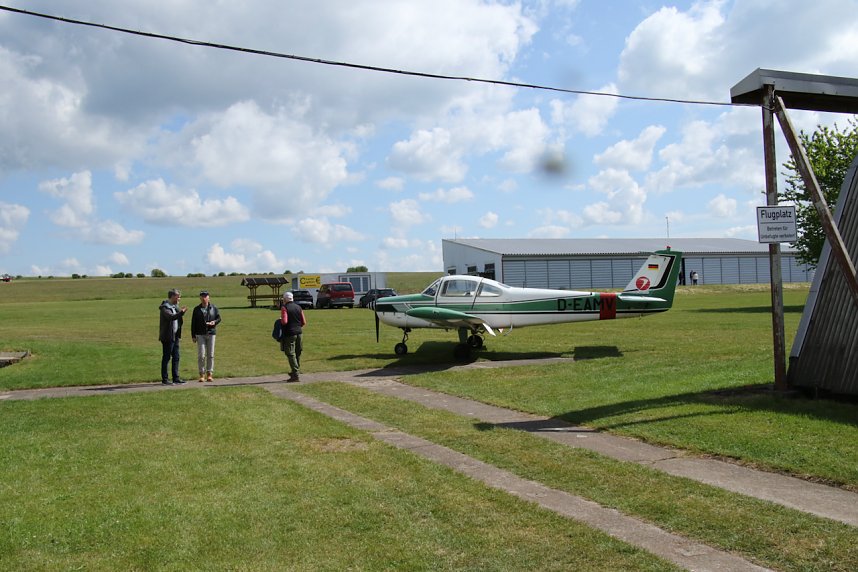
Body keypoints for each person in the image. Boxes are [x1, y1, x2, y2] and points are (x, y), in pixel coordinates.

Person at [191, 290, 222, 382]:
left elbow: (219, 318)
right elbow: (193, 323)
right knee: (201, 355)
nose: (204, 298)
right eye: (202, 296)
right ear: (200, 298)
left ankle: (209, 374)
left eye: (205, 296)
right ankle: (201, 374)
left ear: (209, 297)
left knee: (211, 355)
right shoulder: (196, 309)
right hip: (200, 334)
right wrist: (193, 335)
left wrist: (214, 322)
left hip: (211, 333)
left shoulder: (214, 308)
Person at [159, 289, 187, 385]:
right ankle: (165, 379)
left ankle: (176, 378)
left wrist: (180, 312)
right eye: (178, 296)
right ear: (172, 296)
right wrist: (181, 313)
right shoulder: (165, 307)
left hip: (175, 336)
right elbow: (171, 317)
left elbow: (178, 320)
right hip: (167, 336)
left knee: (176, 357)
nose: (179, 298)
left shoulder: (175, 307)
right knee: (167, 357)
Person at [280, 291, 307, 382]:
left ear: (284, 299)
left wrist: (279, 321)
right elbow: (303, 322)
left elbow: (284, 322)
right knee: (297, 352)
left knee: (290, 353)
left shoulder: (284, 308)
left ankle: (295, 374)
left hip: (289, 333)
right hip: (299, 332)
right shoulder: (299, 307)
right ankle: (296, 370)